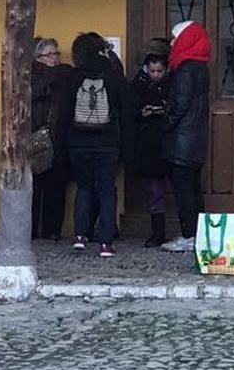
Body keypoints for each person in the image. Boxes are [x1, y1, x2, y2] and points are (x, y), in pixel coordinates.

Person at [55, 32, 129, 257]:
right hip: (108, 143)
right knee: (107, 190)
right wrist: (126, 146)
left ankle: (79, 236)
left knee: (84, 188)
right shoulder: (114, 76)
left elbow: (64, 113)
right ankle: (106, 243)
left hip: (78, 143)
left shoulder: (72, 77)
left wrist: (62, 143)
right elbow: (125, 113)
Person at [161, 20, 211, 253]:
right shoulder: (201, 67)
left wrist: (166, 124)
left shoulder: (186, 68)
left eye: (175, 38)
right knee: (192, 188)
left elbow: (180, 104)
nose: (172, 43)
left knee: (184, 190)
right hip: (194, 139)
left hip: (182, 139)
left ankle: (189, 234)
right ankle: (198, 233)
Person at [130, 38, 173, 248]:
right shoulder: (139, 84)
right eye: (152, 70)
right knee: (154, 190)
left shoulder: (171, 85)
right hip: (150, 143)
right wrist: (142, 112)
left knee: (171, 187)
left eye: (159, 71)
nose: (156, 75)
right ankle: (158, 231)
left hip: (165, 141)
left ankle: (167, 231)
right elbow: (132, 109)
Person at [30, 37, 73, 240]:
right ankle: (31, 230)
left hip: (59, 137)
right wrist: (50, 75)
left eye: (56, 53)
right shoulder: (32, 76)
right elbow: (34, 94)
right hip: (37, 137)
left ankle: (52, 230)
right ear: (37, 58)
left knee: (56, 187)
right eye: (49, 54)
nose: (54, 58)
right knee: (34, 186)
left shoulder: (65, 75)